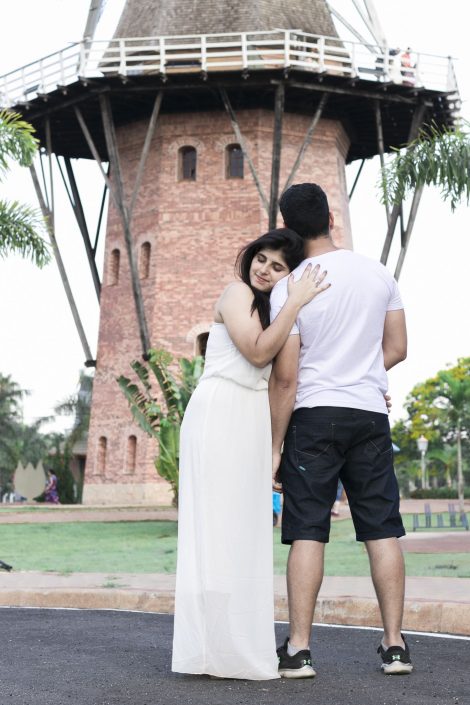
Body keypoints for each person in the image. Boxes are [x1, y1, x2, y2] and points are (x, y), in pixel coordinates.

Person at [172, 228, 330, 680]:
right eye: (261, 258)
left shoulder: (273, 309)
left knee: (242, 530)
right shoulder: (237, 292)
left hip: (250, 419)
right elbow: (260, 354)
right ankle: (212, 648)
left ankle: (230, 645)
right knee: (217, 528)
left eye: (278, 266)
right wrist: (297, 300)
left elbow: (292, 372)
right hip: (220, 411)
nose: (265, 269)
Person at [269, 183, 411, 678]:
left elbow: (286, 377)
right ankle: (395, 646)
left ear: (287, 226)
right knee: (382, 528)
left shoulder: (291, 286)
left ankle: (300, 650)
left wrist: (275, 445)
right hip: (369, 414)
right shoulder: (378, 273)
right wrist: (365, 374)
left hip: (314, 415)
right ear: (331, 216)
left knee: (308, 529)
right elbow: (397, 348)